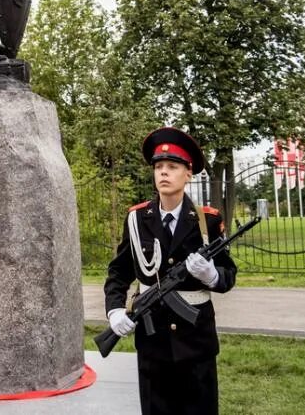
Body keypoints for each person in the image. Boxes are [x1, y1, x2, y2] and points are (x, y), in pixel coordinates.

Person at [104, 127, 238, 415]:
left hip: (196, 343)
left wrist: (211, 275)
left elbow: (228, 275)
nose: (163, 172)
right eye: (159, 167)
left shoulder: (208, 222)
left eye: (172, 167)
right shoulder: (137, 219)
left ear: (188, 174)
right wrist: (115, 311)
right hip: (154, 343)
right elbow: (118, 272)